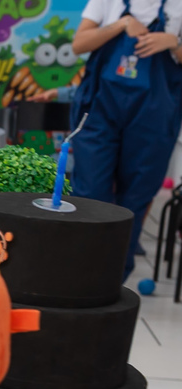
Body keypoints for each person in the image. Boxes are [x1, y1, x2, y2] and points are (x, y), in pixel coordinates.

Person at [68, 0, 182, 279]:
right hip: (100, 111)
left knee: (136, 197)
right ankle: (78, 275)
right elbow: (79, 44)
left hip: (154, 115)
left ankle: (113, 279)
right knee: (90, 193)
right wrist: (121, 24)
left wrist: (173, 43)